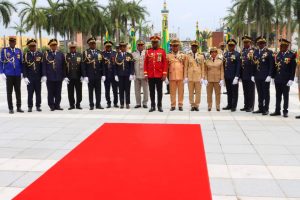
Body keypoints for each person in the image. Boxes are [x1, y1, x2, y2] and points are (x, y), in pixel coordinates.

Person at [270, 39, 297, 118]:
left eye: (284, 46)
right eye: (281, 46)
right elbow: (274, 67)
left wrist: (291, 79)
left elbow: (293, 68)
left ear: (287, 47)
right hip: (277, 79)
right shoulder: (277, 55)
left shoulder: (291, 55)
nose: (282, 47)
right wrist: (272, 77)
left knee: (285, 96)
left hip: (286, 79)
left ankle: (285, 111)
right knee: (278, 95)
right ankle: (277, 110)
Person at [0, 36, 24, 114]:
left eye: (14, 42)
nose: (12, 43)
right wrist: (2, 72)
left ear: (15, 43)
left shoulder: (18, 51)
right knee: (9, 92)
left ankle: (19, 107)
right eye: (11, 42)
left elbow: (21, 63)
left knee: (18, 91)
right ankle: (10, 108)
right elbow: (1, 62)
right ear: (9, 42)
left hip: (17, 74)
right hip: (9, 74)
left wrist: (22, 72)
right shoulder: (4, 51)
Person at [144, 35, 168, 112]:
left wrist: (164, 74)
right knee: (151, 91)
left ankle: (159, 106)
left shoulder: (162, 51)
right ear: (151, 43)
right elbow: (145, 63)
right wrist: (145, 74)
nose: (154, 44)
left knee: (159, 92)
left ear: (158, 43)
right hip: (151, 75)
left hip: (159, 75)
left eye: (156, 42)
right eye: (153, 42)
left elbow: (165, 63)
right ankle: (152, 106)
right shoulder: (148, 51)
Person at [42, 38, 66, 111]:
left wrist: (64, 76)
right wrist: (44, 75)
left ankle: (57, 105)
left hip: (59, 76)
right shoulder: (46, 54)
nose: (54, 46)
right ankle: (51, 105)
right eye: (52, 45)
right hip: (50, 77)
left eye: (55, 45)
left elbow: (63, 66)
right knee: (50, 92)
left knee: (58, 92)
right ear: (50, 46)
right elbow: (44, 65)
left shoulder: (60, 54)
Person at [253, 36, 274, 115]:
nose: (261, 44)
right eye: (259, 43)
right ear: (257, 44)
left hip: (265, 77)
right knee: (259, 93)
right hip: (257, 76)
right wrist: (252, 75)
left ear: (265, 44)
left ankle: (266, 109)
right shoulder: (255, 52)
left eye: (262, 43)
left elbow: (271, 65)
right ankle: (260, 107)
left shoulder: (269, 52)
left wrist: (269, 75)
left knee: (266, 93)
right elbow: (253, 64)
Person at [82, 37, 105, 110]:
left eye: (94, 43)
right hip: (90, 75)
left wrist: (103, 74)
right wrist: (85, 76)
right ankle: (91, 105)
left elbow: (102, 64)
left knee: (98, 91)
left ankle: (98, 104)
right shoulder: (86, 53)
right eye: (91, 44)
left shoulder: (99, 52)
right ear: (89, 44)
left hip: (98, 75)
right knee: (90, 91)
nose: (93, 45)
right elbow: (83, 65)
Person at [166, 38, 188, 111]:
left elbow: (185, 67)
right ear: (171, 47)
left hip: (181, 76)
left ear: (178, 46)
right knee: (172, 92)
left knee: (181, 92)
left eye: (176, 46)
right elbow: (166, 67)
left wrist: (185, 77)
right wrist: (166, 77)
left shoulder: (183, 55)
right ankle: (173, 105)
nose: (175, 47)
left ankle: (180, 105)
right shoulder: (168, 55)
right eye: (173, 46)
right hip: (172, 76)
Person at [23, 39, 43, 112]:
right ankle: (30, 106)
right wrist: (25, 77)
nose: (33, 47)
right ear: (29, 47)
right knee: (30, 93)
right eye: (31, 46)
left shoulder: (40, 54)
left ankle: (38, 106)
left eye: (34, 46)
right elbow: (24, 67)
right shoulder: (25, 55)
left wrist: (43, 75)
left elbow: (42, 66)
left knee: (38, 93)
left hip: (38, 77)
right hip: (30, 77)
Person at [185, 40, 204, 111]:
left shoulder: (201, 56)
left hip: (198, 77)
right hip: (190, 77)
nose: (194, 48)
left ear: (197, 47)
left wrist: (203, 77)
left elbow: (203, 67)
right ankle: (192, 105)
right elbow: (186, 67)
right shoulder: (188, 56)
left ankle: (197, 105)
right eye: (193, 46)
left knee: (198, 92)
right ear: (191, 47)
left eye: (195, 46)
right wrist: (185, 77)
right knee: (190, 92)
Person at [203, 47, 224, 111]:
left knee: (218, 94)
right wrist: (205, 79)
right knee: (209, 94)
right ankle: (209, 106)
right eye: (212, 52)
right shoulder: (207, 61)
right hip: (209, 80)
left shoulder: (220, 61)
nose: (213, 54)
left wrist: (222, 79)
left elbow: (222, 71)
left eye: (215, 52)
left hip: (218, 80)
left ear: (217, 53)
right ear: (210, 53)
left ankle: (217, 106)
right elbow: (205, 71)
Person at [223, 39, 241, 112]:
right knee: (229, 91)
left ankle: (234, 106)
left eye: (232, 45)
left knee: (234, 92)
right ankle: (229, 104)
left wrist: (237, 77)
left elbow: (238, 66)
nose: (230, 47)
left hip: (234, 77)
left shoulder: (237, 54)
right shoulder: (226, 54)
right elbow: (224, 65)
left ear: (234, 46)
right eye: (229, 45)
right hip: (227, 76)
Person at [115, 42, 134, 109]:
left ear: (126, 47)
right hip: (120, 75)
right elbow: (115, 66)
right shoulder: (117, 55)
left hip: (127, 75)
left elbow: (132, 65)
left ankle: (127, 103)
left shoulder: (129, 55)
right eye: (122, 47)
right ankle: (122, 103)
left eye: (124, 47)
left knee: (127, 89)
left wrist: (132, 74)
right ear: (120, 48)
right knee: (121, 90)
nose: (123, 48)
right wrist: (116, 75)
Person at [65, 41, 83, 110]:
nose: (72, 49)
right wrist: (65, 76)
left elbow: (82, 66)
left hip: (78, 77)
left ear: (76, 48)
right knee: (70, 92)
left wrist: (82, 75)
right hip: (70, 77)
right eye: (71, 48)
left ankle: (78, 104)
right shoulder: (67, 56)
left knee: (79, 91)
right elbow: (65, 67)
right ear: (69, 48)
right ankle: (71, 105)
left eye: (74, 48)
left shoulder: (79, 55)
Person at [240, 36, 256, 112]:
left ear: (250, 43)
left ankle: (251, 106)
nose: (245, 44)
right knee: (245, 91)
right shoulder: (242, 51)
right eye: (244, 42)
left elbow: (254, 63)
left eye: (247, 42)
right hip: (244, 74)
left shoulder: (253, 51)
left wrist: (253, 74)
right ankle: (246, 105)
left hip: (250, 74)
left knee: (250, 91)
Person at [132, 40, 148, 109]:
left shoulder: (147, 53)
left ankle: (145, 103)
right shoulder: (133, 54)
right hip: (136, 74)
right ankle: (138, 103)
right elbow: (131, 65)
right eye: (139, 45)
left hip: (144, 75)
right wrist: (133, 74)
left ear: (144, 46)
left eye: (141, 45)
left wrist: (147, 74)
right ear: (137, 46)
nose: (140, 46)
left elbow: (148, 64)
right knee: (137, 90)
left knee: (146, 90)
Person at [102, 41, 119, 108]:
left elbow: (116, 65)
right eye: (107, 46)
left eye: (109, 47)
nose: (108, 48)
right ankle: (108, 102)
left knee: (115, 90)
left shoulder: (115, 54)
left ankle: (115, 103)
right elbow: (102, 65)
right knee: (107, 90)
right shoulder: (102, 54)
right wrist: (103, 75)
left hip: (113, 75)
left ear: (111, 47)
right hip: (106, 75)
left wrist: (116, 74)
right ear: (105, 47)